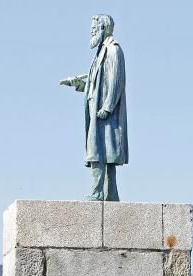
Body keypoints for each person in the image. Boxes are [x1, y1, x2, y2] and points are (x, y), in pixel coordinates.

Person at [59, 14, 128, 201]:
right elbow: (95, 84)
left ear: (103, 28)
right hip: (95, 109)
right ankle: (109, 193)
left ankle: (100, 192)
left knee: (101, 152)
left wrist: (107, 106)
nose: (92, 32)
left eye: (94, 29)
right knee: (101, 152)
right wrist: (77, 83)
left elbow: (116, 81)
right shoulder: (100, 52)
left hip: (105, 113)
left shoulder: (113, 50)